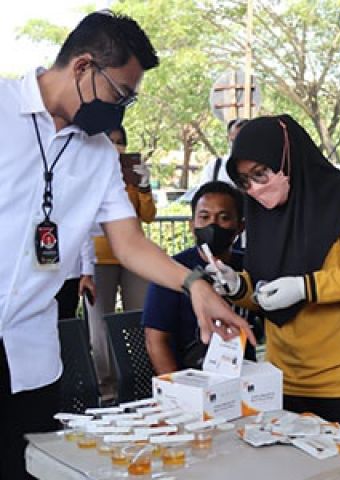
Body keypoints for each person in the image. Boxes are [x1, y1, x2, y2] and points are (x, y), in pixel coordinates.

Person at [0, 11, 253, 479]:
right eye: (119, 94)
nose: (119, 110)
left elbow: (131, 242)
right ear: (82, 67)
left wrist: (196, 285)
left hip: (30, 357)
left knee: (25, 467)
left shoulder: (97, 153)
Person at [214, 114, 340, 435]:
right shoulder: (263, 213)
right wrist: (238, 287)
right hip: (284, 375)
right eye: (245, 180)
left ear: (287, 158)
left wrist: (308, 287)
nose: (255, 188)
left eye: (261, 173)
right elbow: (267, 292)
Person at [143, 181, 262, 373]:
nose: (212, 225)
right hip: (190, 378)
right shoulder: (173, 270)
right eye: (204, 217)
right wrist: (178, 390)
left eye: (224, 217)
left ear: (240, 227)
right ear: (192, 225)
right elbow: (155, 339)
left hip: (244, 378)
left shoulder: (253, 266)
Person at [86, 124, 155, 391]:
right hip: (98, 257)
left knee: (138, 317)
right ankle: (107, 385)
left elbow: (148, 216)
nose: (116, 147)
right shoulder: (92, 171)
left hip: (134, 257)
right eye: (110, 140)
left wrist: (145, 187)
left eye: (120, 141)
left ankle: (138, 377)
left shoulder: (130, 176)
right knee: (99, 324)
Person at [198, 118, 249, 186]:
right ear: (228, 139)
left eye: (243, 141)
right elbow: (203, 194)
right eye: (233, 141)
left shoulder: (263, 168)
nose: (237, 145)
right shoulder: (214, 167)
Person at [55, 238, 97, 320]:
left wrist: (87, 272)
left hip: (68, 274)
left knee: (66, 321)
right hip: (35, 278)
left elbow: (84, 236)